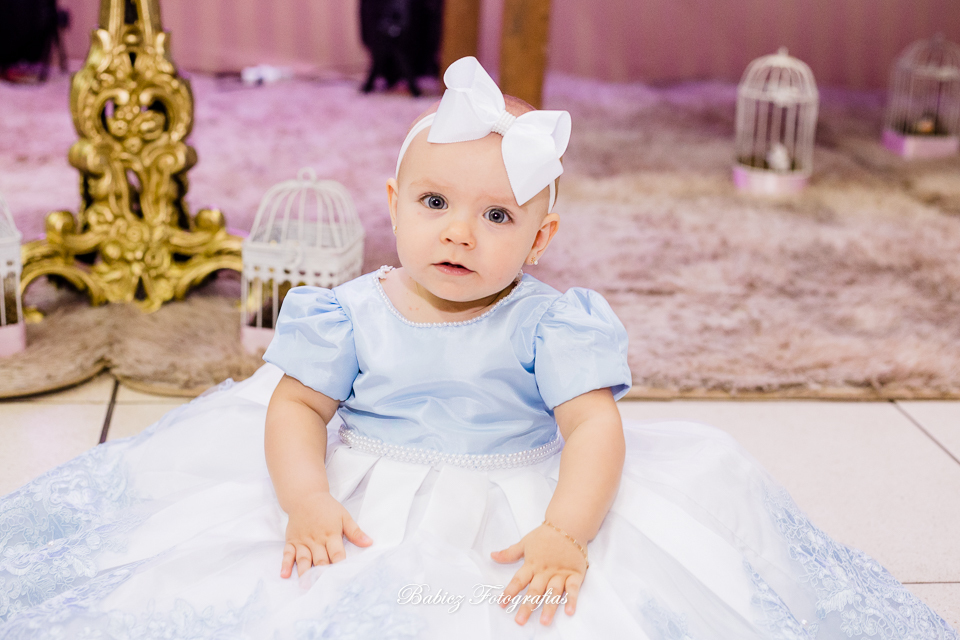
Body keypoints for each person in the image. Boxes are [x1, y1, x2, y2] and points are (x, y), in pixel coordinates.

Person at [0, 57, 954, 640]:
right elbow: (296, 407)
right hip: (366, 484)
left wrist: (565, 532)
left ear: (540, 240)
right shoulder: (350, 311)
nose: (460, 234)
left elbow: (592, 430)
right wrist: (306, 499)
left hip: (516, 483)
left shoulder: (552, 320)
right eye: (434, 205)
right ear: (391, 206)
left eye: (497, 215)